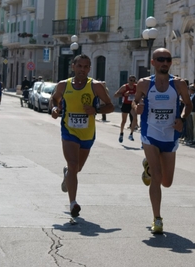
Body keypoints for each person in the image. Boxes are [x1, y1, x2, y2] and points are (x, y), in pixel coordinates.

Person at [132, 48, 192, 234]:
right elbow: (134, 103)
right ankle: (157, 219)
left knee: (167, 182)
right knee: (157, 178)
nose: (164, 62)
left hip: (170, 135)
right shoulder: (144, 84)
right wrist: (137, 108)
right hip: (150, 133)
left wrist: (182, 118)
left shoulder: (179, 84)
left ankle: (148, 166)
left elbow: (188, 104)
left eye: (167, 59)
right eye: (160, 59)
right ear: (153, 63)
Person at [51, 54, 114, 219]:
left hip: (87, 133)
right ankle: (73, 203)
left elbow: (110, 106)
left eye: (86, 67)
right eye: (79, 66)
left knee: (76, 169)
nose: (82, 69)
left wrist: (96, 110)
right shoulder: (63, 85)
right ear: (73, 66)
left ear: (89, 69)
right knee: (72, 164)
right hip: (69, 131)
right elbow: (54, 99)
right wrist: (55, 109)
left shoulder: (96, 86)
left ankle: (67, 176)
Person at [114, 75, 138, 142]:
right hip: (126, 104)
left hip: (132, 105)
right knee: (124, 121)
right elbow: (115, 95)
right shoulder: (125, 87)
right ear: (128, 80)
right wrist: (124, 94)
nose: (132, 82)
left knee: (135, 118)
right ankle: (121, 133)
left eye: (133, 81)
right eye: (131, 80)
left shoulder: (136, 87)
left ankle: (131, 134)